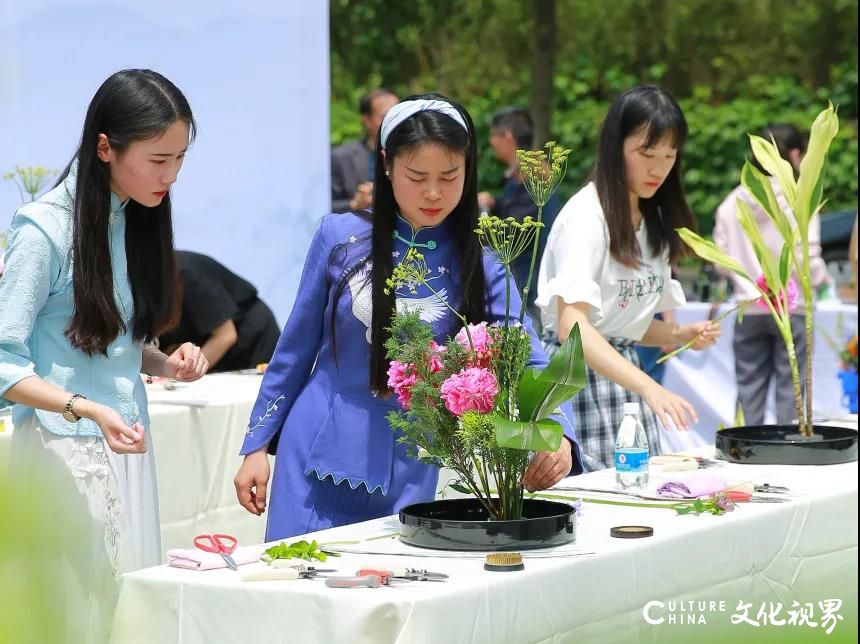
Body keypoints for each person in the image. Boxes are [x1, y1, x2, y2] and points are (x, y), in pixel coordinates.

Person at [234, 94, 584, 540]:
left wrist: (559, 433)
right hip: (315, 454)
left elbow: (529, 355)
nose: (434, 193)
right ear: (385, 165)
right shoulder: (340, 238)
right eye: (417, 176)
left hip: (411, 464)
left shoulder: (482, 260)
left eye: (450, 176)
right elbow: (294, 351)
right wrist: (257, 447)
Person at [0, 69, 207, 642]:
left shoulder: (137, 217)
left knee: (129, 613)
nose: (170, 175)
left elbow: (107, 339)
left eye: (180, 159)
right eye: (158, 159)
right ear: (105, 147)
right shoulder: (43, 229)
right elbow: (4, 360)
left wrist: (166, 363)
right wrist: (84, 408)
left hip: (126, 446)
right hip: (61, 456)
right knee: (69, 617)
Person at [536, 85, 720, 471]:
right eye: (646, 153)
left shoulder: (652, 219)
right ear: (615, 147)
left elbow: (622, 325)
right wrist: (649, 387)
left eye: (669, 155)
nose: (659, 168)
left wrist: (679, 336)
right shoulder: (586, 217)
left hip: (625, 383)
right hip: (578, 383)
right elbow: (574, 328)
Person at [713, 123, 832, 425]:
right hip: (792, 307)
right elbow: (809, 256)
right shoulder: (797, 199)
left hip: (748, 309)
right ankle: (788, 454)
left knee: (749, 391)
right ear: (793, 155)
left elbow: (718, 260)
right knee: (791, 393)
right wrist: (821, 281)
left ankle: (746, 452)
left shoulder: (732, 202)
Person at [477, 107, 561, 327]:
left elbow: (517, 229)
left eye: (493, 135)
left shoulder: (533, 176)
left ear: (506, 137)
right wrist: (495, 202)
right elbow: (517, 211)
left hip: (531, 283)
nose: (491, 142)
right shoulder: (525, 171)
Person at [157, 251, 281, 372]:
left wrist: (181, 375)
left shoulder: (187, 274)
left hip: (253, 337)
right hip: (215, 348)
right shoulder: (145, 291)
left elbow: (226, 336)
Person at [330, 88, 399, 213]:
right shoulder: (340, 157)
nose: (394, 122)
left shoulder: (413, 154)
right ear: (366, 120)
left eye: (398, 115)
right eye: (386, 116)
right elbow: (324, 204)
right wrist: (354, 204)